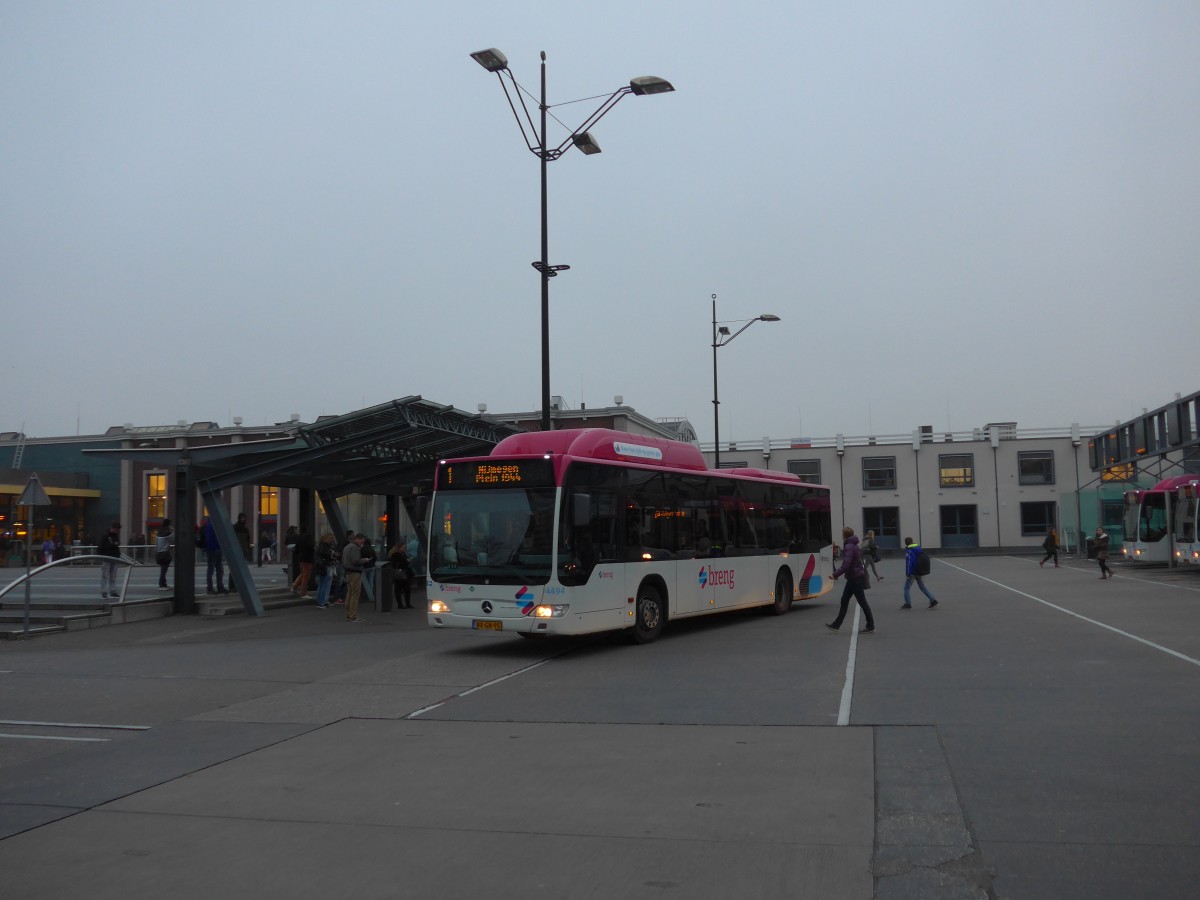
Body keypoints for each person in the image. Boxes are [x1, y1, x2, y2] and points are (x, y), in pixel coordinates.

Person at [826, 527, 875, 634]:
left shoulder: (849, 546)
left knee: (861, 602)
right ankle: (836, 624)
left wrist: (835, 574)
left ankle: (870, 625)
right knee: (845, 600)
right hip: (854, 577)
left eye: (842, 533)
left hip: (854, 578)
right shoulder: (854, 545)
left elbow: (846, 564)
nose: (842, 535)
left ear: (845, 535)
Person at [902, 537, 938, 609]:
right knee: (922, 587)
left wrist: (908, 573)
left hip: (913, 571)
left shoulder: (909, 551)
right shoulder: (918, 548)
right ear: (912, 541)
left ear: (906, 543)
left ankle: (908, 603)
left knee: (906, 587)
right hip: (919, 570)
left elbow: (909, 562)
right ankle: (933, 600)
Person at [341, 533, 368, 622]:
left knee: (349, 593)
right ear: (358, 539)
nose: (362, 544)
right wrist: (364, 560)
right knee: (355, 595)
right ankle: (353, 615)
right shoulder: (354, 548)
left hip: (348, 572)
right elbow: (355, 560)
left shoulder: (347, 547)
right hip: (354, 572)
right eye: (362, 541)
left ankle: (348, 614)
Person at [202, 517, 227, 594]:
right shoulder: (211, 525)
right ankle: (211, 587)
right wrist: (215, 547)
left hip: (216, 548)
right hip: (213, 549)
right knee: (213, 569)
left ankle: (217, 587)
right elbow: (209, 539)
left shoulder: (211, 525)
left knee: (217, 569)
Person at [99, 521, 122, 600]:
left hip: (114, 557)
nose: (117, 531)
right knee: (105, 575)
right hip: (107, 557)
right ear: (113, 528)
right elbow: (101, 547)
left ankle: (112, 591)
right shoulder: (105, 536)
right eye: (117, 529)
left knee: (113, 576)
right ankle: (104, 591)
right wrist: (113, 545)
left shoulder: (115, 536)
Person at [313, 532, 337, 608]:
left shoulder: (322, 545)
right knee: (325, 585)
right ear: (325, 538)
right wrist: (333, 554)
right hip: (326, 566)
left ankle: (323, 601)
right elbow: (328, 555)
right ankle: (322, 602)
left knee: (323, 585)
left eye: (332, 538)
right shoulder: (325, 547)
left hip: (323, 566)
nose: (332, 539)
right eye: (330, 538)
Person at [388, 542, 413, 609]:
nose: (404, 549)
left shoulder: (403, 554)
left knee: (406, 589)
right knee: (399, 589)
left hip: (404, 573)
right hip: (400, 574)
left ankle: (407, 604)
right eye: (403, 547)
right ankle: (400, 604)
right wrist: (406, 561)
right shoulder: (395, 555)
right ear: (398, 548)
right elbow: (396, 563)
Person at [291, 528, 315, 598]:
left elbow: (296, 549)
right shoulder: (308, 537)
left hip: (301, 558)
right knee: (306, 576)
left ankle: (294, 587)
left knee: (303, 574)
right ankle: (303, 593)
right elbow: (310, 546)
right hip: (308, 558)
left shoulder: (299, 537)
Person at [155, 518, 174, 590]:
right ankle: (161, 584)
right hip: (165, 553)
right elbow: (173, 540)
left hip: (159, 553)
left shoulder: (159, 533)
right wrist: (172, 531)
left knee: (163, 569)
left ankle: (164, 584)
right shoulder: (167, 534)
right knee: (164, 570)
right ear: (168, 525)